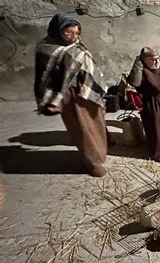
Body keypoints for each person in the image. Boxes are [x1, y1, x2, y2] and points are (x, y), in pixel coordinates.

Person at [34, 13, 108, 177]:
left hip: (88, 90)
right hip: (70, 95)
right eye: (69, 32)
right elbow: (45, 76)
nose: (73, 36)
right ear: (58, 30)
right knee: (82, 129)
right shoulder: (46, 48)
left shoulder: (75, 45)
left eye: (77, 32)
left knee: (97, 123)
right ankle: (93, 163)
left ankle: (101, 150)